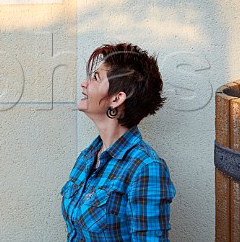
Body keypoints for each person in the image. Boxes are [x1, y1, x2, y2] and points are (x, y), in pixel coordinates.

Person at [61, 43, 176, 241]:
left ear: (116, 98)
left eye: (96, 77)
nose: (84, 83)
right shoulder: (87, 157)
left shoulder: (146, 168)